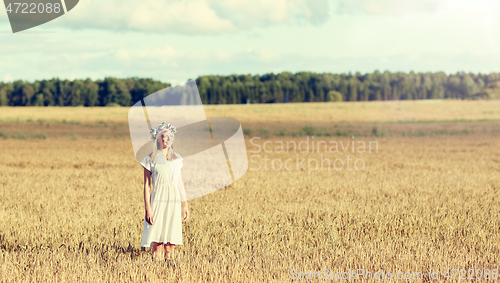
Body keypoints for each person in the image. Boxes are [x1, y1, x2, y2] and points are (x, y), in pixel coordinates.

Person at [139, 122, 189, 262]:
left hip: (173, 201)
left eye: (170, 137)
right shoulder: (150, 159)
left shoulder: (177, 159)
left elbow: (179, 182)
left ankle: (170, 272)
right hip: (158, 200)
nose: (167, 139)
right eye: (163, 136)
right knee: (158, 243)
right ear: (157, 138)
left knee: (170, 245)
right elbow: (147, 186)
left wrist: (185, 205)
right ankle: (156, 272)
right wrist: (148, 209)